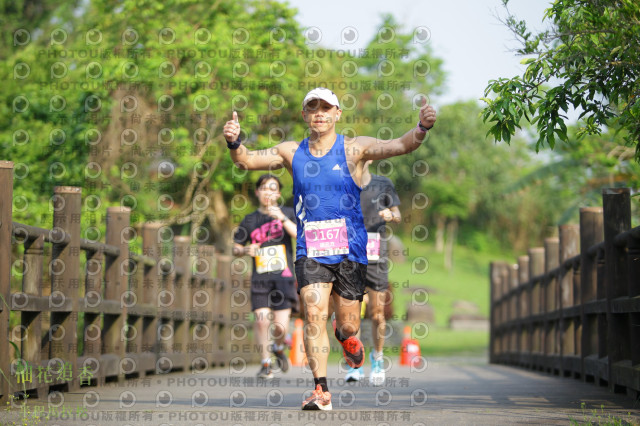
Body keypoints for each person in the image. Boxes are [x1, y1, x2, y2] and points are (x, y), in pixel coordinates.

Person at [224, 87, 436, 410]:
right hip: (310, 249)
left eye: (326, 107)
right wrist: (234, 141)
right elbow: (246, 160)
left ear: (337, 113)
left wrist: (421, 127)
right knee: (313, 314)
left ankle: (347, 336)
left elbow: (401, 146)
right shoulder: (291, 151)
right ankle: (321, 390)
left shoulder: (354, 148)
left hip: (350, 251)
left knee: (348, 324)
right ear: (305, 115)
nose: (319, 112)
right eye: (313, 107)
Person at [232, 174, 297, 379]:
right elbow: (235, 247)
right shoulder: (249, 220)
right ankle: (265, 363)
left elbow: (297, 234)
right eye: (264, 188)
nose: (268, 192)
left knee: (280, 327)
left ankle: (278, 347)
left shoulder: (288, 213)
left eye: (272, 188)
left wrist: (282, 218)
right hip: (260, 279)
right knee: (261, 321)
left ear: (278, 193)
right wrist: (244, 251)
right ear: (258, 192)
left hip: (284, 278)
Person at [344, 159, 401, 385]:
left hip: (376, 255)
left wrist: (390, 214)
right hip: (348, 255)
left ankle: (377, 358)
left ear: (370, 158)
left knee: (377, 314)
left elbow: (397, 213)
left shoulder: (382, 183)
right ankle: (355, 363)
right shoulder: (341, 183)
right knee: (351, 316)